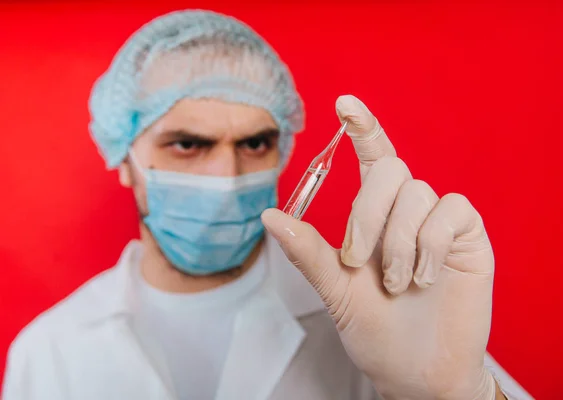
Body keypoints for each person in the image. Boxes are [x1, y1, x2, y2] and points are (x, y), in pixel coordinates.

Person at [2, 10, 532, 400]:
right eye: (188, 144)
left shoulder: (376, 314)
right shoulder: (48, 351)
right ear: (123, 155)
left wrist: (453, 396)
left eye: (254, 144)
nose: (226, 177)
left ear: (283, 151)